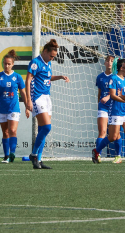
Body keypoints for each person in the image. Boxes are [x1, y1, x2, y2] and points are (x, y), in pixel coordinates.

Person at [26, 39, 70, 169]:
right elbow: (28, 80)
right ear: (45, 51)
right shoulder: (35, 62)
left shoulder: (48, 63)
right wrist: (28, 100)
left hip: (47, 97)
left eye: (54, 57)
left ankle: (38, 161)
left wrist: (60, 76)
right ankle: (33, 155)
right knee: (47, 127)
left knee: (42, 130)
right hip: (37, 97)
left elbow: (47, 77)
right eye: (51, 56)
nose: (52, 58)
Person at [92, 58, 125, 164]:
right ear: (122, 68)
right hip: (116, 111)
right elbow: (112, 95)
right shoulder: (113, 78)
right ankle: (96, 151)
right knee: (113, 136)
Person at [0, 50, 30, 163]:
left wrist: (27, 106)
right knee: (5, 132)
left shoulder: (17, 77)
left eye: (9, 64)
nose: (6, 66)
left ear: (12, 64)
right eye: (5, 63)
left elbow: (23, 93)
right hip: (2, 108)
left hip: (14, 108)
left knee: (12, 130)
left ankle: (12, 154)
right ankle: (6, 156)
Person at [91, 55, 115, 164]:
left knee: (116, 134)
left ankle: (120, 155)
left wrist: (109, 96)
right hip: (103, 107)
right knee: (103, 132)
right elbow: (99, 93)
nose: (109, 63)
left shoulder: (116, 77)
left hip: (114, 107)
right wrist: (99, 104)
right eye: (108, 61)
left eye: (112, 61)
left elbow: (118, 93)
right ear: (104, 63)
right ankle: (97, 154)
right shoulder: (100, 77)